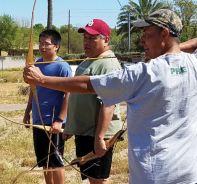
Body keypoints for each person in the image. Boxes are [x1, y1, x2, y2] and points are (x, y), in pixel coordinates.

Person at [23, 9, 197, 184]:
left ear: (164, 34)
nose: (142, 41)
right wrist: (173, 51)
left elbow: (87, 85)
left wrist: (42, 79)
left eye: (147, 35)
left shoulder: (143, 73)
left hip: (153, 175)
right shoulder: (193, 64)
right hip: (188, 174)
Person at [62, 19, 122, 184]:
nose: (86, 42)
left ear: (106, 40)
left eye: (92, 38)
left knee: (98, 179)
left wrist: (99, 138)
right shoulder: (88, 61)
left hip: (97, 134)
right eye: (85, 38)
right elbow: (77, 94)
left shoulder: (108, 65)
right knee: (91, 178)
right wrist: (71, 125)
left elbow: (108, 104)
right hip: (86, 133)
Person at [23, 29, 72, 184]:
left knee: (56, 162)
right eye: (41, 44)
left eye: (47, 44)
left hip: (53, 123)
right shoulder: (37, 64)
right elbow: (33, 90)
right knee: (45, 161)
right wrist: (27, 113)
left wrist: (59, 119)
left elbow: (68, 95)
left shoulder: (62, 67)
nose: (42, 47)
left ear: (56, 46)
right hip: (38, 121)